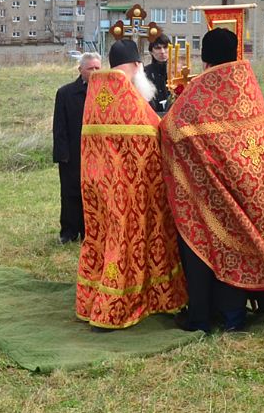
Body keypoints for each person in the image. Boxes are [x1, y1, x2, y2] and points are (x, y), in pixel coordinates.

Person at [160, 27, 264, 333]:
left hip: (206, 192)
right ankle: (233, 317)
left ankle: (201, 317)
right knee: (238, 246)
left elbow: (170, 130)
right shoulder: (247, 86)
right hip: (249, 188)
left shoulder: (200, 91)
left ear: (205, 59)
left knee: (201, 249)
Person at [76, 38, 186, 329]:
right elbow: (157, 134)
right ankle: (117, 304)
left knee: (103, 240)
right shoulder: (127, 96)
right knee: (127, 245)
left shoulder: (97, 91)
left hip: (98, 188)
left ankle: (92, 299)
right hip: (130, 193)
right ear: (138, 66)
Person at [51, 52, 102, 244]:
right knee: (71, 192)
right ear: (81, 70)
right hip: (73, 152)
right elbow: (59, 126)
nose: (95, 72)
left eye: (98, 68)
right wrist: (62, 154)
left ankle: (92, 231)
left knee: (95, 192)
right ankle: (69, 231)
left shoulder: (105, 94)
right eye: (91, 68)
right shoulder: (65, 93)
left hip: (98, 153)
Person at [143, 34, 174, 114]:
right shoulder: (144, 72)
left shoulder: (177, 72)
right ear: (151, 52)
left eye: (165, 47)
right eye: (158, 48)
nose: (162, 52)